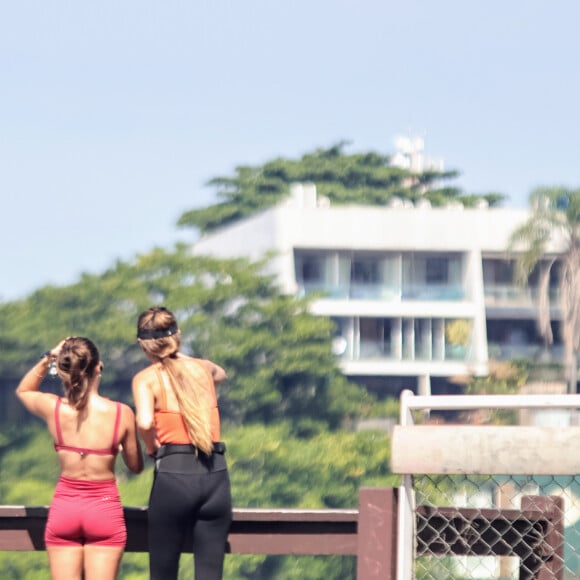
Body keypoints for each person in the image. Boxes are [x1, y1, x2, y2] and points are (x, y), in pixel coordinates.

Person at [15, 336, 144, 580]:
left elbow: (24, 390)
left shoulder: (55, 409)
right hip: (104, 509)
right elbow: (135, 466)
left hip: (65, 508)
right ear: (99, 367)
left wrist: (49, 357)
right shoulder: (121, 413)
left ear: (65, 370)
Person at [132, 306, 232, 580]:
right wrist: (183, 357)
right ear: (178, 336)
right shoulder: (203, 369)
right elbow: (220, 373)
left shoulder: (146, 379)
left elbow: (143, 422)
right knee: (210, 574)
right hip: (216, 474)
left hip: (174, 475)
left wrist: (151, 447)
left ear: (144, 346)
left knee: (163, 573)